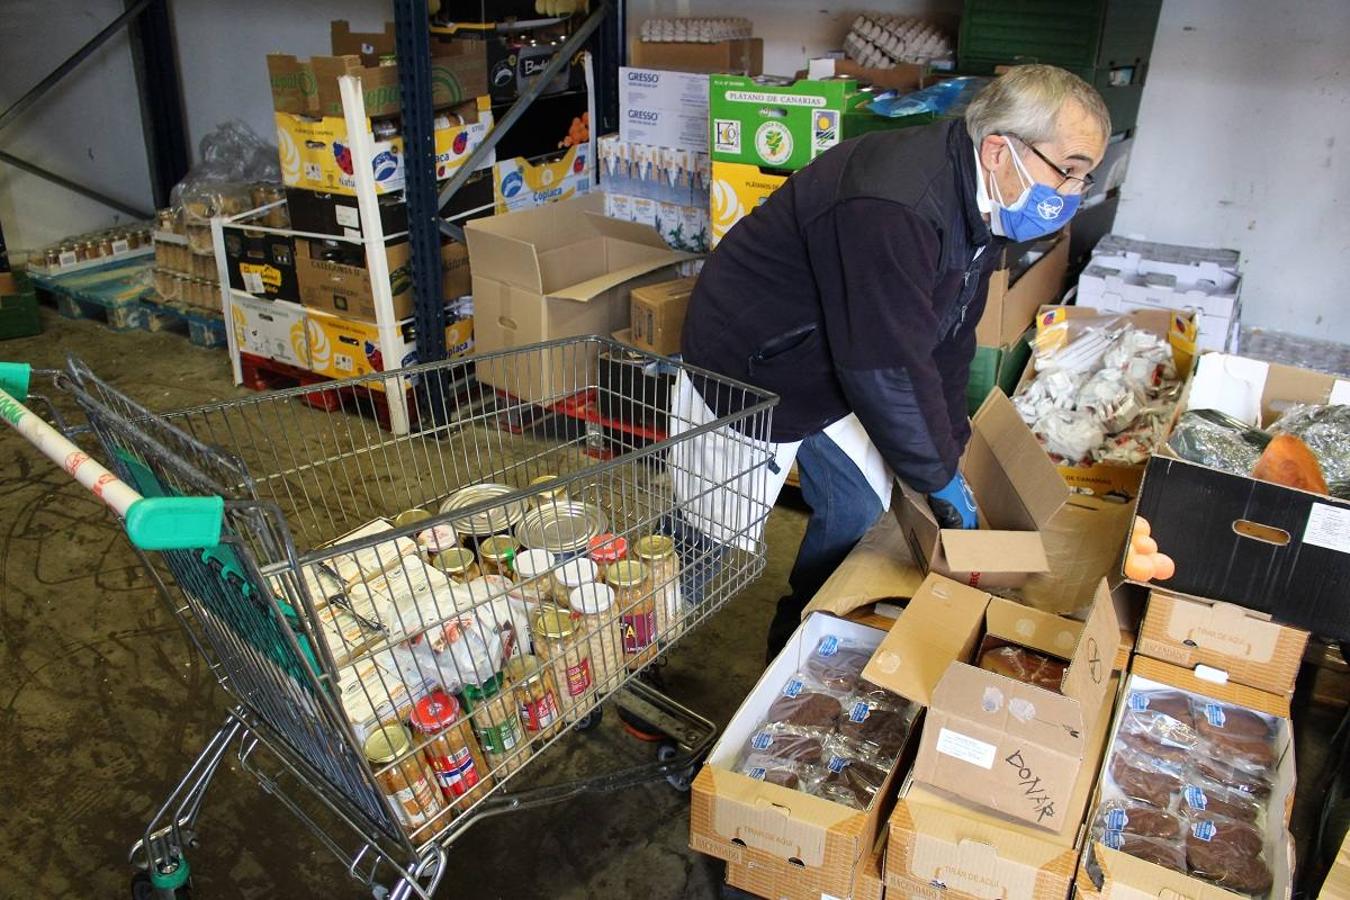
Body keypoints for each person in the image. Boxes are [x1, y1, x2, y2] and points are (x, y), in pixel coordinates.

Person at [679, 65, 1111, 659]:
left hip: (836, 355)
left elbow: (948, 336)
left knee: (857, 507)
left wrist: (952, 446)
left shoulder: (983, 198)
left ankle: (799, 639)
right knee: (707, 532)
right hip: (754, 361)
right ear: (998, 150)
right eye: (1068, 170)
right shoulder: (896, 205)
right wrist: (938, 477)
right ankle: (643, 643)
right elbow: (886, 368)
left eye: (1084, 178)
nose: (1073, 194)